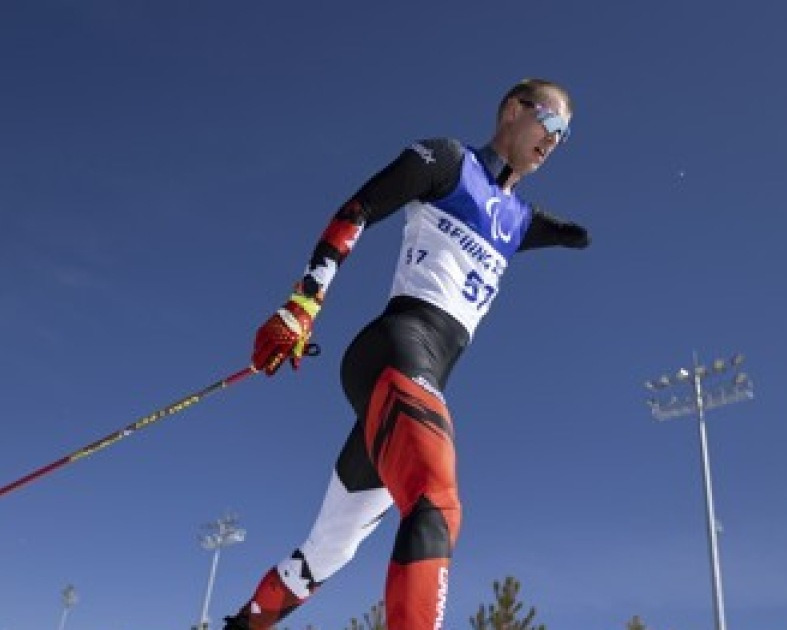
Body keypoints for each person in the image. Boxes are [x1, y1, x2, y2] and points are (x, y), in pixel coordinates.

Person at [225, 78, 590, 630]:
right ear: (513, 111)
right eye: (551, 124)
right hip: (396, 347)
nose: (556, 141)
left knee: (323, 556)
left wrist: (571, 234)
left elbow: (556, 230)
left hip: (414, 378)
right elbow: (358, 208)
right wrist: (304, 301)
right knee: (436, 501)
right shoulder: (449, 161)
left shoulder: (517, 220)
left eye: (567, 136)